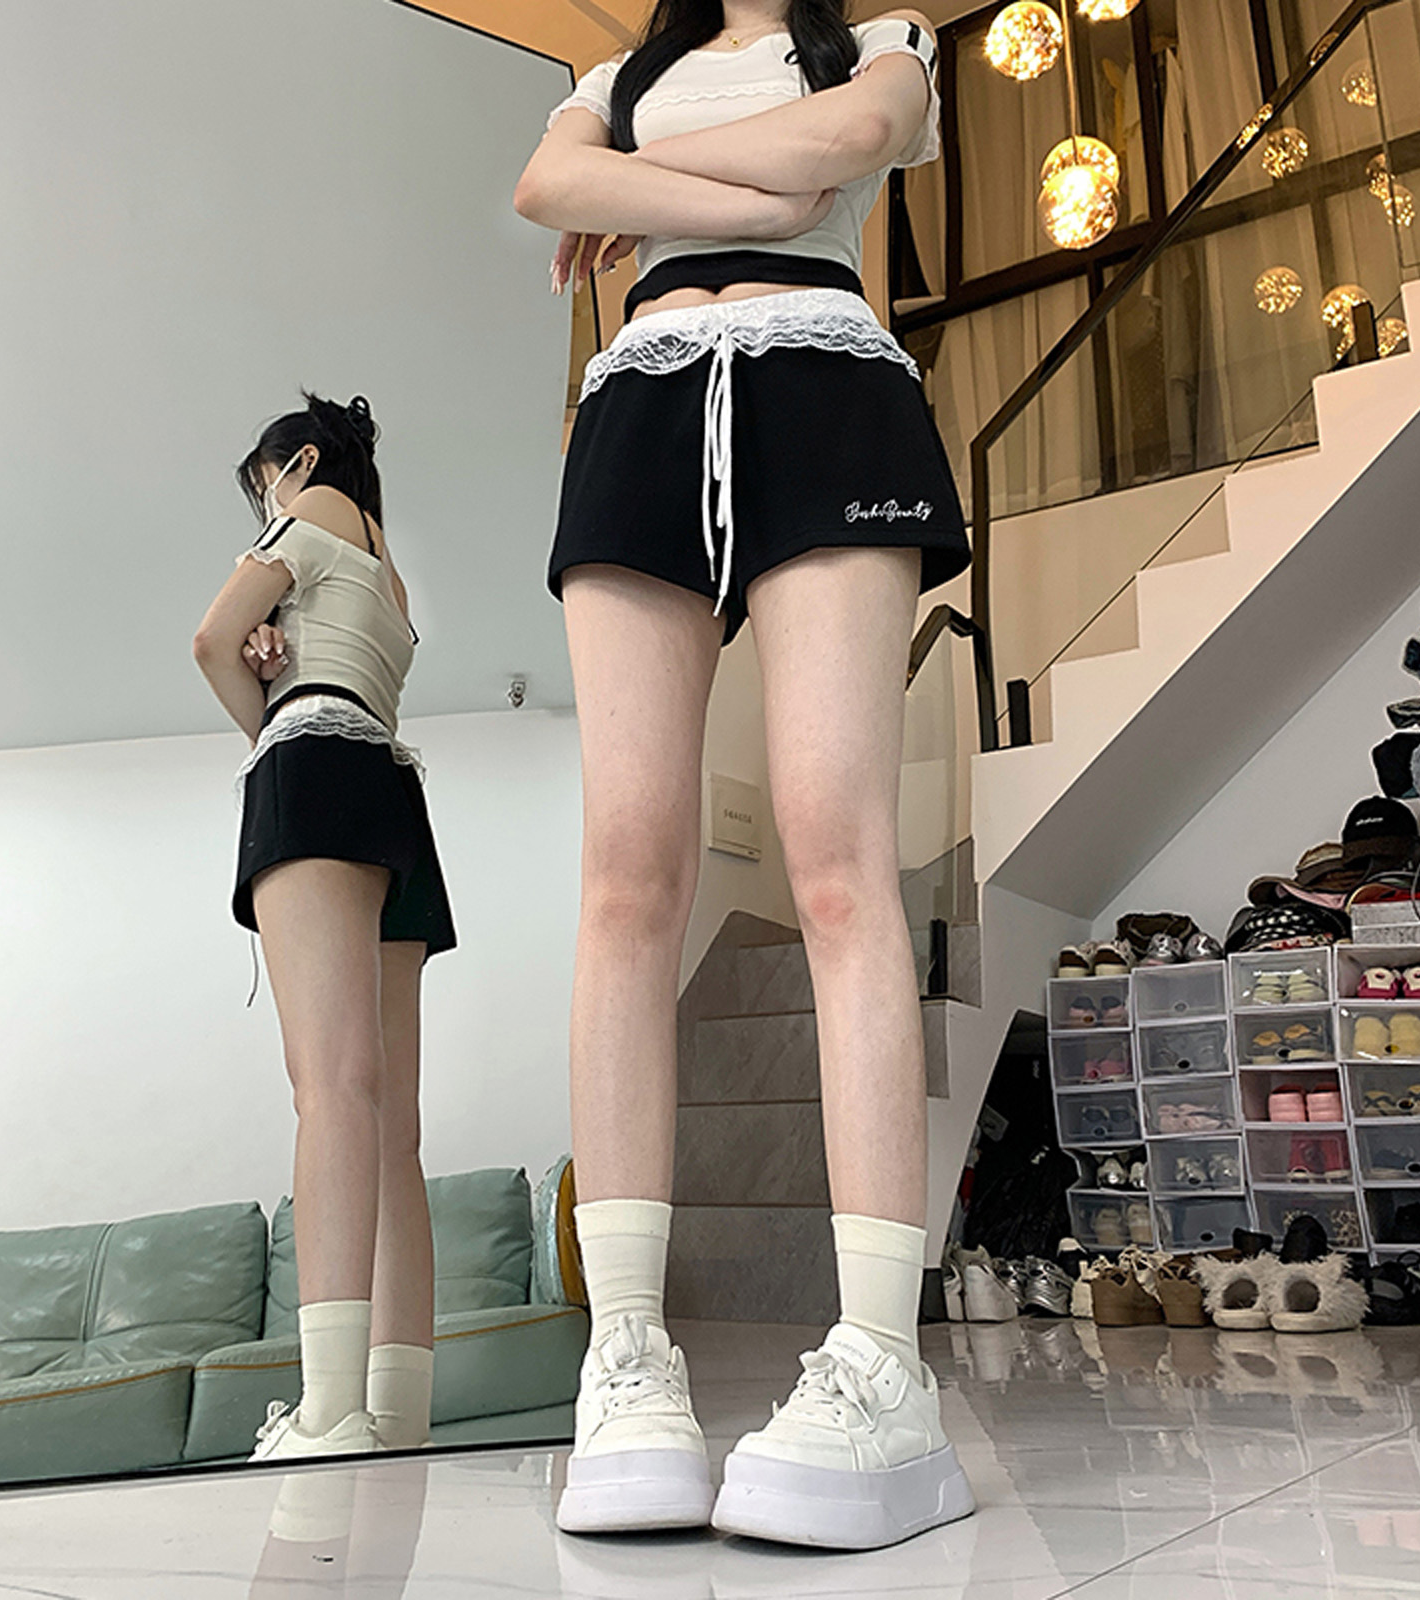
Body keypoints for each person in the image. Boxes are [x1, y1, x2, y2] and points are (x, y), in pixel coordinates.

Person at [515, 0, 975, 1550]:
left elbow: (858, 137)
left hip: (828, 380)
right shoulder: (608, 76)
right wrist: (761, 189)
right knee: (624, 879)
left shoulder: (884, 41)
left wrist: (651, 186)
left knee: (838, 860)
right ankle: (626, 1356)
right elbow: (547, 185)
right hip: (643, 400)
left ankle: (884, 1362)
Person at [192, 393, 455, 1460]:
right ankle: (394, 1409)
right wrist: (285, 645)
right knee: (391, 1125)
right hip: (390, 792)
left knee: (330, 1091)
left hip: (310, 765)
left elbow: (210, 640)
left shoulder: (309, 514)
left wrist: (263, 700)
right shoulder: (387, 575)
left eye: (265, 487)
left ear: (300, 463)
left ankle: (330, 1411)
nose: (265, 509)